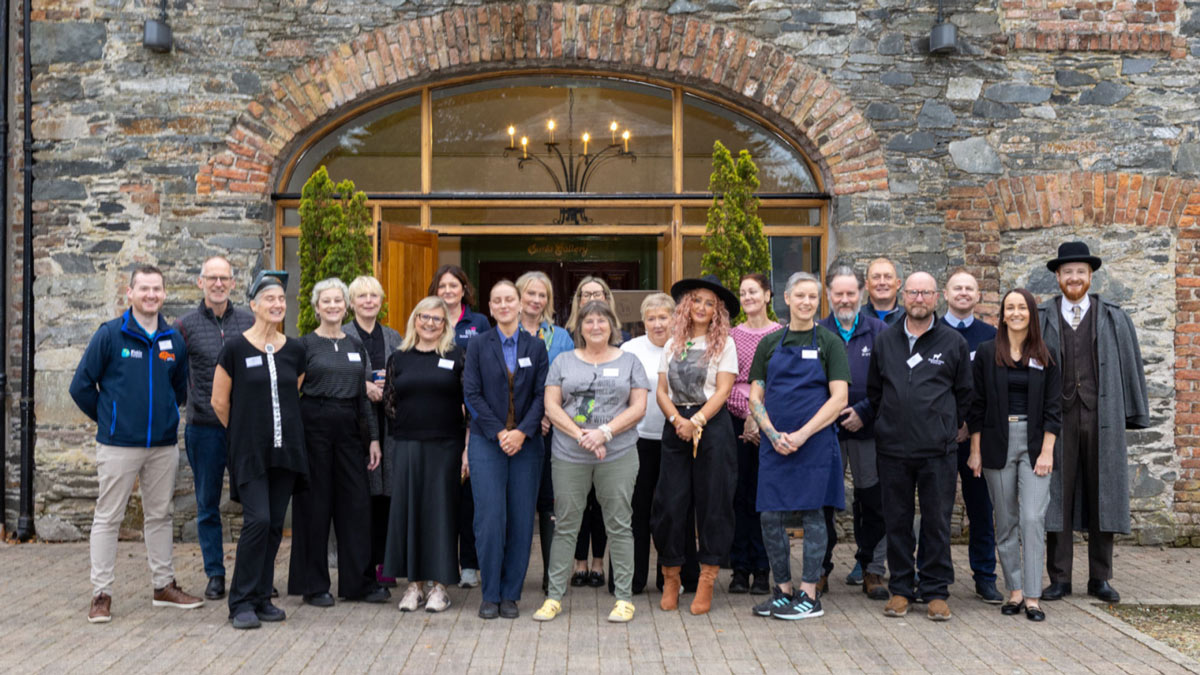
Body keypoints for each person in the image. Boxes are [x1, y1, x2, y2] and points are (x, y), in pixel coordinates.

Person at [70, 265, 203, 624]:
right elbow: (81, 386)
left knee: (160, 516)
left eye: (156, 289)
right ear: (129, 293)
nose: (151, 295)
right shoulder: (110, 336)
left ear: (164, 293)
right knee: (108, 517)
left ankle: (163, 586)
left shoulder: (173, 340)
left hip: (161, 446)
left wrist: (162, 418)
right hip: (117, 446)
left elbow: (177, 389)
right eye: (143, 288)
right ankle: (101, 594)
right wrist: (111, 420)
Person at [1039, 241, 1148, 604]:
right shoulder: (1044, 317)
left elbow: (1130, 366)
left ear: (1090, 276)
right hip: (1058, 419)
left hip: (1103, 417)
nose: (1074, 277)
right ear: (1057, 276)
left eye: (1080, 272)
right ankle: (1060, 578)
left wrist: (1133, 412)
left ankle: (1100, 577)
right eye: (1067, 272)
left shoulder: (1113, 316)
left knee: (1104, 492)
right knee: (1058, 496)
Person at [534, 301, 649, 623]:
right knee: (566, 525)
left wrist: (604, 433)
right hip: (570, 454)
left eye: (602, 321)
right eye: (589, 322)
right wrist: (582, 435)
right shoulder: (562, 361)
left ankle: (624, 598)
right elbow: (552, 405)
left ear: (612, 325)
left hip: (619, 453)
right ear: (579, 328)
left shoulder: (630, 361)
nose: (596, 326)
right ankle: (554, 596)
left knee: (619, 524)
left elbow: (638, 406)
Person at [867, 271, 972, 622]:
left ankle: (936, 591)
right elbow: (875, 391)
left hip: (937, 451)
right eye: (913, 292)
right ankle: (900, 589)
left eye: (926, 293)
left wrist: (946, 426)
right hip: (893, 449)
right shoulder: (886, 341)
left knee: (937, 522)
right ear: (903, 294)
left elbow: (965, 394)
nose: (919, 299)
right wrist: (887, 423)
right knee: (896, 521)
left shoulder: (952, 342)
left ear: (936, 297)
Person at [747, 272, 849, 620]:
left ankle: (809, 594)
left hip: (816, 443)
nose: (807, 302)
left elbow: (839, 398)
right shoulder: (770, 344)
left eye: (812, 297)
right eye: (800, 296)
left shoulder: (830, 343)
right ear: (786, 298)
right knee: (771, 516)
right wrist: (772, 434)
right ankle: (783, 591)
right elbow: (755, 395)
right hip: (774, 443)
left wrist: (803, 434)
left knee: (813, 514)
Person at [211, 270, 305, 630]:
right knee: (258, 520)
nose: (278, 304)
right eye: (270, 299)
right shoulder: (234, 349)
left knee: (273, 526)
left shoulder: (294, 350)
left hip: (285, 452)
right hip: (249, 452)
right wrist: (244, 435)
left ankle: (263, 596)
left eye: (281, 299)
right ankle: (241, 601)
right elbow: (220, 402)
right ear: (253, 305)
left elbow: (292, 391)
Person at [287, 278, 389, 607]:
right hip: (313, 426)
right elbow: (291, 394)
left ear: (346, 306)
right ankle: (313, 584)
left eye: (338, 301)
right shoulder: (303, 346)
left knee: (356, 506)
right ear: (316, 308)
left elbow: (363, 398)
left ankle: (358, 582)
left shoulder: (355, 346)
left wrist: (373, 438)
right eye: (326, 301)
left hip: (350, 427)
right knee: (315, 507)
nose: (333, 306)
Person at [968, 288, 1062, 622]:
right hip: (997, 440)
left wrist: (1048, 451)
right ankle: (1015, 591)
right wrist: (975, 450)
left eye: (1022, 307)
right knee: (1005, 519)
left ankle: (1034, 595)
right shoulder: (986, 352)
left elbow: (1054, 408)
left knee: (1033, 518)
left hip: (1037, 443)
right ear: (1003, 314)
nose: (1016, 312)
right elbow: (976, 405)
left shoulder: (1046, 354)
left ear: (1031, 313)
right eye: (1010, 307)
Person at [652, 274, 740, 616]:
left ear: (717, 311)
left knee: (713, 503)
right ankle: (672, 576)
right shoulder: (673, 342)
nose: (702, 307)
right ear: (687, 306)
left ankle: (706, 579)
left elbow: (723, 390)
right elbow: (661, 391)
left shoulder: (725, 344)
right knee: (670, 504)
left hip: (711, 427)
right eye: (697, 301)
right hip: (676, 425)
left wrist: (696, 422)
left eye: (710, 303)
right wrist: (677, 421)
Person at [463, 279, 550, 619]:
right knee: (489, 518)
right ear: (490, 305)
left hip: (527, 446)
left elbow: (544, 395)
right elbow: (472, 394)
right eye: (496, 300)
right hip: (488, 443)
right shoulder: (479, 345)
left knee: (520, 519)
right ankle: (490, 594)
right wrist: (500, 431)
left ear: (518, 304)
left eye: (508, 299)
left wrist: (523, 433)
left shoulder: (536, 346)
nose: (503, 305)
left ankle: (511, 594)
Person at [174, 256, 255, 601]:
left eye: (224, 278)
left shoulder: (250, 322)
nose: (218, 284)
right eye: (212, 278)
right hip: (204, 428)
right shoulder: (185, 325)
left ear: (233, 283)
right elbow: (175, 374)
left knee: (254, 503)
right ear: (201, 282)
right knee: (208, 504)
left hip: (245, 429)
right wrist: (190, 403)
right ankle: (215, 574)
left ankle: (254, 574)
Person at [383, 296, 466, 613]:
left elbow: (467, 404)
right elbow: (390, 403)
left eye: (437, 319)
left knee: (441, 514)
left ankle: (440, 588)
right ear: (414, 320)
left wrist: (466, 449)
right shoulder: (399, 358)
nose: (430, 324)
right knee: (409, 513)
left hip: (446, 446)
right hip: (408, 446)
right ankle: (414, 586)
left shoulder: (457, 356)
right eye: (424, 317)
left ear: (445, 324)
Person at [618, 293, 701, 595]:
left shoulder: (686, 347)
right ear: (643, 322)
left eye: (663, 317)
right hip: (637, 440)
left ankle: (678, 576)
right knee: (636, 511)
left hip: (676, 439)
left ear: (674, 319)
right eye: (651, 318)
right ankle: (632, 579)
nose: (657, 324)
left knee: (676, 510)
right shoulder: (629, 349)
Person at [818, 262, 889, 601]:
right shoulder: (816, 331)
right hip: (825, 432)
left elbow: (891, 384)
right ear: (828, 295)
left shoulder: (881, 332)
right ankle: (817, 570)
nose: (844, 300)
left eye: (850, 293)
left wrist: (863, 412)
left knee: (873, 501)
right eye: (838, 293)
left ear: (861, 293)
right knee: (822, 502)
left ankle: (873, 569)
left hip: (869, 429)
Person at [562, 276, 628, 586]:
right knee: (577, 502)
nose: (591, 298)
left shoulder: (620, 338)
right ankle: (578, 562)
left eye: (597, 293)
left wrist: (604, 431)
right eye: (585, 294)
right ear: (577, 300)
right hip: (570, 432)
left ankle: (599, 561)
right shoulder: (566, 336)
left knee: (602, 502)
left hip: (609, 433)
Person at [941, 269, 1002, 604]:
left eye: (970, 288)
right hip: (940, 436)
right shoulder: (933, 332)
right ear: (945, 294)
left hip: (978, 437)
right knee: (938, 509)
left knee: (981, 508)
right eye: (957, 288)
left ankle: (985, 576)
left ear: (978, 296)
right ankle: (938, 576)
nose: (963, 293)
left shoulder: (991, 336)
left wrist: (970, 425)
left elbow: (992, 390)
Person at [428, 264, 489, 588]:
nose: (448, 291)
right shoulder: (428, 320)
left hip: (473, 418)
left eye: (454, 286)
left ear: (464, 290)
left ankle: (470, 565)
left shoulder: (478, 323)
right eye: (443, 286)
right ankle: (441, 564)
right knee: (440, 497)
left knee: (470, 499)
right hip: (439, 417)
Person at [515, 271, 574, 593]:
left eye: (542, 295)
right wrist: (530, 419)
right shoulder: (506, 333)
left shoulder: (561, 338)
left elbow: (569, 382)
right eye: (530, 294)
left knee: (551, 503)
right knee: (520, 502)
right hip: (517, 431)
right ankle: (515, 573)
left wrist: (550, 414)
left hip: (555, 431)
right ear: (519, 296)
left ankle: (553, 577)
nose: (536, 300)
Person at [726, 273, 781, 596]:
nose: (747, 297)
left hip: (770, 426)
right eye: (743, 292)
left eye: (753, 291)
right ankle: (739, 568)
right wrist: (747, 414)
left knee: (765, 499)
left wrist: (760, 419)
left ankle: (763, 569)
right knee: (738, 497)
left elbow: (781, 384)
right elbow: (726, 382)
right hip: (736, 425)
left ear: (767, 295)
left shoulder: (781, 335)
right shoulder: (731, 337)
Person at [347, 275, 403, 588]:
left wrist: (388, 385)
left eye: (374, 296)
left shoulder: (394, 336)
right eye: (362, 296)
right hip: (356, 428)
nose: (369, 301)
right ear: (352, 302)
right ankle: (362, 566)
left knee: (388, 498)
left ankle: (386, 565)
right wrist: (364, 385)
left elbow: (408, 372)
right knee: (361, 498)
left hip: (391, 426)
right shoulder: (341, 335)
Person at [862, 258, 905, 325]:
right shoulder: (856, 318)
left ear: (898, 284)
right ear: (867, 285)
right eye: (876, 277)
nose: (882, 282)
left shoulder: (908, 318)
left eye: (888, 277)